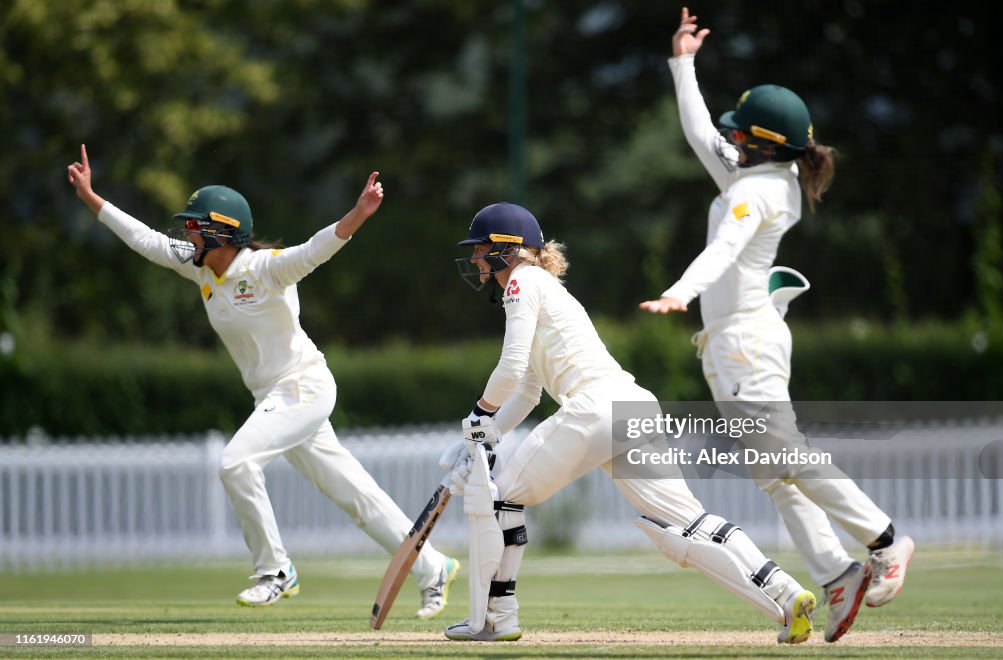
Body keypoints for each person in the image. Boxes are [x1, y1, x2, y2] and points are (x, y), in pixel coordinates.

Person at [66, 144, 459, 616]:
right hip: (274, 397)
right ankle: (432, 566)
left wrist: (358, 213)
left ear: (222, 234)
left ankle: (275, 571)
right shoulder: (201, 270)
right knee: (357, 496)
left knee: (234, 463)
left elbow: (315, 250)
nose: (185, 235)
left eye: (195, 227)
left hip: (303, 387)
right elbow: (145, 239)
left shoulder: (266, 268)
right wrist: (92, 197)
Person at [639, 7, 915, 643]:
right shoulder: (763, 172)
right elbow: (701, 131)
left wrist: (680, 292)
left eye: (743, 134)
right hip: (733, 347)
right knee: (773, 471)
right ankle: (838, 575)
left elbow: (725, 250)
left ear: (764, 144)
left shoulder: (755, 192)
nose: (730, 139)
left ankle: (887, 540)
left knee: (786, 457)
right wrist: (683, 63)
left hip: (746, 344)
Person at [440, 202, 818, 644]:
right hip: (633, 406)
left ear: (508, 250)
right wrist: (488, 433)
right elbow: (526, 389)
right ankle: (787, 594)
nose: (474, 260)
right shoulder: (543, 288)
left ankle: (496, 618)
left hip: (595, 409)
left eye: (481, 249)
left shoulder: (521, 282)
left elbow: (510, 366)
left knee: (500, 500)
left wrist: (480, 413)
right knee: (687, 525)